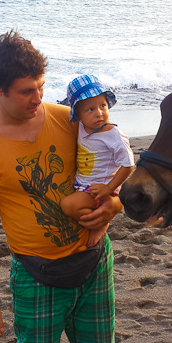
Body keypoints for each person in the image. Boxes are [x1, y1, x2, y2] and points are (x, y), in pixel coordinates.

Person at [0, 30, 122, 343]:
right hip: (37, 275)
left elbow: (116, 167)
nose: (38, 98)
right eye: (27, 91)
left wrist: (112, 206)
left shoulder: (71, 120)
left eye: (42, 87)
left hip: (95, 261)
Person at [59, 74, 134, 247]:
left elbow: (128, 164)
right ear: (77, 114)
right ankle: (100, 213)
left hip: (101, 188)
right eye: (90, 109)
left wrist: (109, 188)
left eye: (103, 106)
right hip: (83, 184)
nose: (99, 113)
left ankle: (101, 222)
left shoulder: (113, 135)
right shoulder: (81, 127)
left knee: (68, 206)